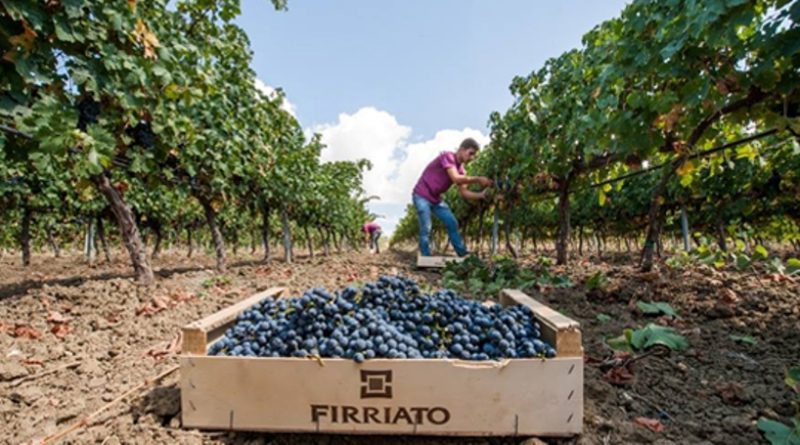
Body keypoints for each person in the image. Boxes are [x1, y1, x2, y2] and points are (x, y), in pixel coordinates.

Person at [412, 137, 492, 257]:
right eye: (470, 153)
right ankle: (425, 257)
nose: (471, 158)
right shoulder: (448, 156)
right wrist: (478, 179)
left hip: (436, 199)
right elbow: (455, 178)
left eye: (474, 155)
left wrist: (481, 195)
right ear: (461, 149)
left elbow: (464, 193)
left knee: (452, 222)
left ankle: (462, 254)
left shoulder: (462, 171)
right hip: (421, 195)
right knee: (426, 226)